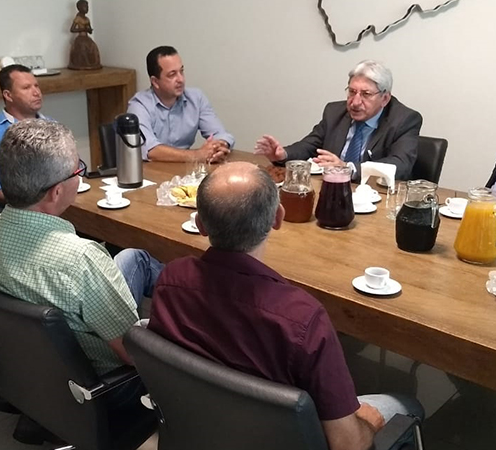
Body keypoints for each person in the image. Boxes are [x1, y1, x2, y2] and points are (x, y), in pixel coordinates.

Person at [148, 162, 424, 450]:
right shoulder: (302, 317)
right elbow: (347, 445)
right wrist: (366, 423)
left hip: (199, 428)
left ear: (200, 224)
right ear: (278, 218)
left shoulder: (172, 280)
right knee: (406, 403)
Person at [0, 118, 162, 391]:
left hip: (30, 372)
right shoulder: (82, 260)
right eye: (77, 170)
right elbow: (132, 354)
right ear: (56, 192)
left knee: (134, 257)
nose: (80, 175)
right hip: (104, 386)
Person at [255, 60, 422, 182]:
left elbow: (400, 164)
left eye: (366, 94)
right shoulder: (334, 112)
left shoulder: (405, 120)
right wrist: (282, 154)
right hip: (332, 189)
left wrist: (348, 168)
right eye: (351, 92)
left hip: (376, 199)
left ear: (385, 98)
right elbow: (310, 145)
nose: (355, 102)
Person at [127, 45, 235, 163]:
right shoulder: (139, 106)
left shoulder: (196, 98)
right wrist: (197, 155)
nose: (180, 79)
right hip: (152, 172)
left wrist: (219, 146)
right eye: (172, 74)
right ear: (155, 82)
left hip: (183, 170)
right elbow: (151, 150)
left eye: (181, 71)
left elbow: (220, 133)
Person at [0, 64, 46, 205]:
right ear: (8, 95)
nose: (36, 92)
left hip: (61, 199)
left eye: (36, 86)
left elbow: (73, 166)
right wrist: (26, 203)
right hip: (21, 207)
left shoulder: (52, 125)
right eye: (26, 88)